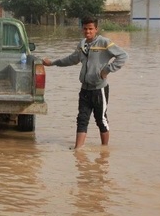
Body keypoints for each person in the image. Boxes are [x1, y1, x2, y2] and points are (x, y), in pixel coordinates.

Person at [42, 15, 128, 150]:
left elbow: (123, 56)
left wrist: (107, 70)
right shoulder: (82, 45)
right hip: (85, 89)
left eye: (90, 29)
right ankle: (78, 150)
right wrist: (52, 63)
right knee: (82, 119)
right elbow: (71, 59)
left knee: (101, 120)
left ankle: (104, 150)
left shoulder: (104, 43)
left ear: (96, 29)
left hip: (99, 89)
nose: (87, 32)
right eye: (85, 29)